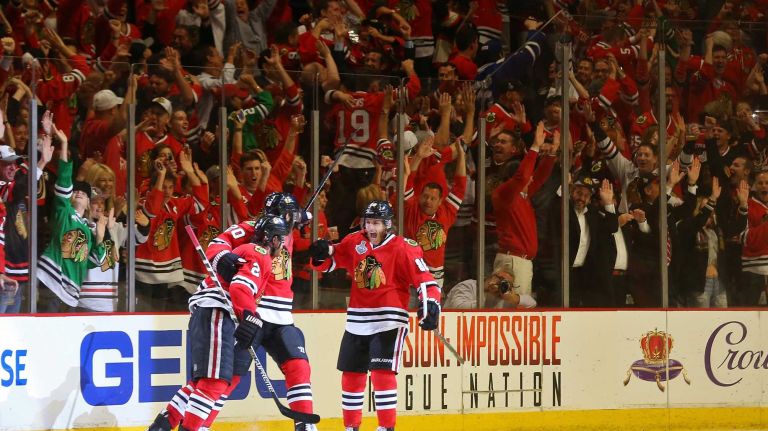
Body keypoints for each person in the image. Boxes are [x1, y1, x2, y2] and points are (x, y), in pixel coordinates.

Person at [148, 192, 318, 431]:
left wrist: (318, 249)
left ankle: (306, 426)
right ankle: (179, 422)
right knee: (221, 379)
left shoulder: (286, 227)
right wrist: (224, 257)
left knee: (298, 367)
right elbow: (217, 245)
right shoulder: (256, 231)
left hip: (278, 315)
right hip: (248, 310)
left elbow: (301, 218)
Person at [308, 200, 441, 431]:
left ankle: (386, 427)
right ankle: (351, 427)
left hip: (389, 320)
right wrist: (321, 253)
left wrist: (431, 305)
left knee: (382, 373)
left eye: (377, 223)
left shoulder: (403, 247)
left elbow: (426, 281)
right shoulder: (354, 242)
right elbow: (329, 261)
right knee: (351, 374)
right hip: (357, 321)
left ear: (387, 225)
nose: (371, 227)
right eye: (368, 222)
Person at [37, 119, 108, 313]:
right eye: (75, 192)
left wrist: (100, 237)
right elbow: (65, 181)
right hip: (52, 282)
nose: (79, 193)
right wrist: (65, 144)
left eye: (84, 194)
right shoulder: (64, 211)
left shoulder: (87, 227)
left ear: (87, 206)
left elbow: (96, 261)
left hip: (71, 292)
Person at [444, 268, 518, 309]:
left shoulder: (502, 297)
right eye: (501, 279)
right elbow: (457, 307)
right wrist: (488, 298)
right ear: (493, 276)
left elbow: (529, 302)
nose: (502, 284)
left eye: (506, 284)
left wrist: (515, 299)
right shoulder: (469, 285)